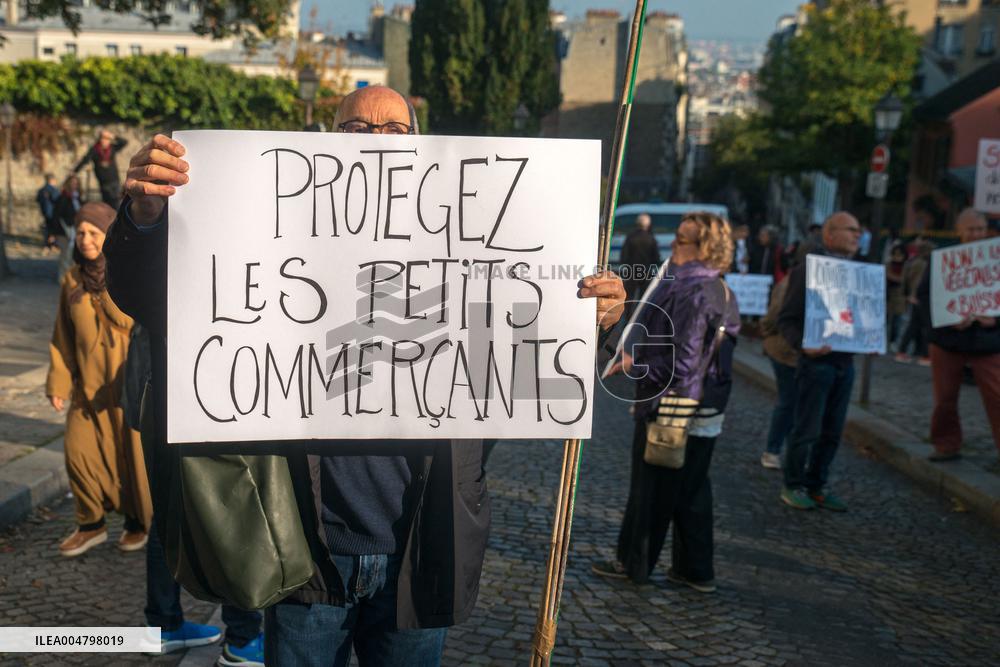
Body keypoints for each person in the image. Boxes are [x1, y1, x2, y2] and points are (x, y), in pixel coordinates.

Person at [103, 85, 627, 666]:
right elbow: (151, 298)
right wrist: (147, 216)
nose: (376, 142)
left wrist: (590, 319)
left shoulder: (469, 233)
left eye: (395, 131)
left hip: (422, 552)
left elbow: (528, 353)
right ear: (330, 140)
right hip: (305, 551)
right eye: (356, 129)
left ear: (418, 144)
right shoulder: (275, 223)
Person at [592, 212, 739, 592]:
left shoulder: (692, 290)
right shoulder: (715, 287)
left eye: (682, 239)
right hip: (704, 406)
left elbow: (683, 361)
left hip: (674, 405)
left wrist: (634, 362)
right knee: (691, 489)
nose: (672, 244)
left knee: (651, 488)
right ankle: (695, 570)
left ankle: (633, 565)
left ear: (705, 248)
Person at [118, 325, 264, 665]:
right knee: (233, 510)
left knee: (168, 512)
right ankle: (242, 638)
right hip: (211, 387)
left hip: (165, 389)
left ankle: (164, 624)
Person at [46, 201, 152, 557]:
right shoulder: (71, 280)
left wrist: (108, 288)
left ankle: (138, 523)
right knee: (77, 453)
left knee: (131, 460)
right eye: (80, 234)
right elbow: (62, 336)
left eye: (93, 232)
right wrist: (59, 383)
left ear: (109, 233)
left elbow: (141, 324)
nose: (85, 240)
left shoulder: (130, 272)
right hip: (88, 391)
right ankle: (90, 524)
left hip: (127, 388)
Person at [777, 212, 862, 512]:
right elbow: (785, 320)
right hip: (816, 364)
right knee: (807, 428)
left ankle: (817, 484)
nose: (857, 235)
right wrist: (804, 346)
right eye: (850, 230)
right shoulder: (807, 271)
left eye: (858, 230)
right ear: (829, 236)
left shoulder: (859, 272)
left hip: (845, 364)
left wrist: (870, 338)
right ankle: (794, 483)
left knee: (833, 431)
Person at [918, 208, 1000, 465]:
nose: (976, 234)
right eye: (970, 229)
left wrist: (995, 319)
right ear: (959, 230)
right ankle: (946, 445)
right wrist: (948, 321)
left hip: (989, 341)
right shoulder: (940, 259)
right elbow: (925, 297)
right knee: (944, 399)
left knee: (997, 396)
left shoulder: (995, 259)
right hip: (947, 341)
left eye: (980, 229)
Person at [759, 272, 797, 469]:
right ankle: (773, 449)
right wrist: (766, 332)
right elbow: (774, 315)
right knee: (788, 401)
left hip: (795, 352)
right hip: (784, 350)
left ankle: (791, 452)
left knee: (794, 404)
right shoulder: (791, 282)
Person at [896, 240, 932, 365]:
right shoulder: (924, 264)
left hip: (913, 296)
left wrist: (907, 294)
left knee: (913, 326)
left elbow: (906, 279)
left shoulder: (912, 262)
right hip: (920, 298)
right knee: (923, 327)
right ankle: (924, 355)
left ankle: (903, 352)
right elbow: (920, 282)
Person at [73, 129, 128, 207]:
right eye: (103, 138)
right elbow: (85, 160)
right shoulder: (95, 149)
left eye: (107, 139)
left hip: (114, 181)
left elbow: (124, 142)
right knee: (108, 205)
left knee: (116, 203)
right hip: (104, 183)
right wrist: (75, 171)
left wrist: (113, 136)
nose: (104, 141)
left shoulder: (112, 148)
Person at [620, 212, 660, 306]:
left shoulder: (630, 237)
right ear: (648, 224)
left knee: (629, 297)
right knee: (644, 298)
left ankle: (628, 317)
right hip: (646, 272)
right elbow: (656, 258)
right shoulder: (651, 238)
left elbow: (624, 256)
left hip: (631, 271)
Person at [53, 175, 83, 280]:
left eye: (76, 183)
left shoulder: (77, 198)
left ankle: (72, 279)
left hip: (76, 231)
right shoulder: (63, 198)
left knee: (74, 257)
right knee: (65, 256)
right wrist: (53, 233)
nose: (74, 185)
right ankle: (63, 279)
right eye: (72, 183)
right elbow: (57, 216)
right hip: (65, 231)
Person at [885, 241, 907, 350]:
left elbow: (904, 280)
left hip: (899, 296)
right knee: (885, 319)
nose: (897, 257)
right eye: (895, 254)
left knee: (897, 321)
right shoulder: (889, 264)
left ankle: (893, 341)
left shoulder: (906, 266)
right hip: (888, 295)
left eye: (899, 254)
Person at [37, 173, 60, 249]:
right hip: (53, 212)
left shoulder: (41, 190)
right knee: (54, 229)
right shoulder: (54, 190)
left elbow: (38, 200)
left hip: (45, 212)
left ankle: (47, 243)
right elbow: (57, 200)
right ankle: (52, 243)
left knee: (47, 228)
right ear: (52, 180)